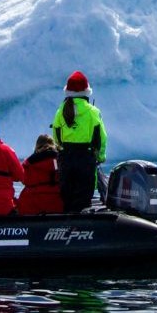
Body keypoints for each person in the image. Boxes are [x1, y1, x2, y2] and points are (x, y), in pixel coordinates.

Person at [51, 70, 106, 211]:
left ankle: (65, 227)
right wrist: (100, 156)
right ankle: (82, 228)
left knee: (67, 196)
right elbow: (101, 137)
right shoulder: (92, 111)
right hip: (85, 158)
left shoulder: (60, 111)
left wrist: (61, 150)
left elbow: (56, 134)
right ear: (86, 92)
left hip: (66, 157)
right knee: (83, 196)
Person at [17, 134, 64, 215]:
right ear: (54, 145)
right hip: (56, 204)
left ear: (37, 146)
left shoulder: (28, 162)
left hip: (30, 205)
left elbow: (23, 180)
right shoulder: (61, 159)